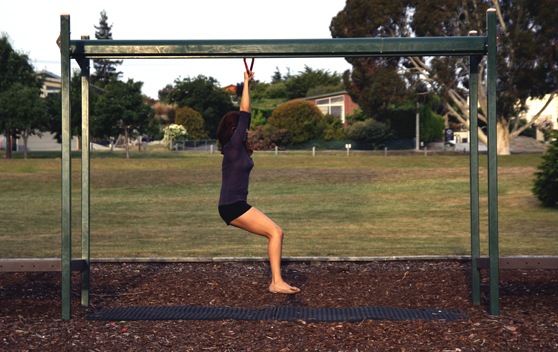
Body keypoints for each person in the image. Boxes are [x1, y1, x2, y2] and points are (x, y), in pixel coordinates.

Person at [217, 70, 300, 294]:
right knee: (276, 232)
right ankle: (276, 283)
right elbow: (245, 113)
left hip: (233, 205)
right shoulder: (233, 146)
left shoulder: (237, 149)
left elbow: (244, 118)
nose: (248, 131)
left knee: (275, 233)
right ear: (235, 130)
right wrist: (246, 83)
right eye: (243, 129)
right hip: (232, 206)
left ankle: (277, 281)